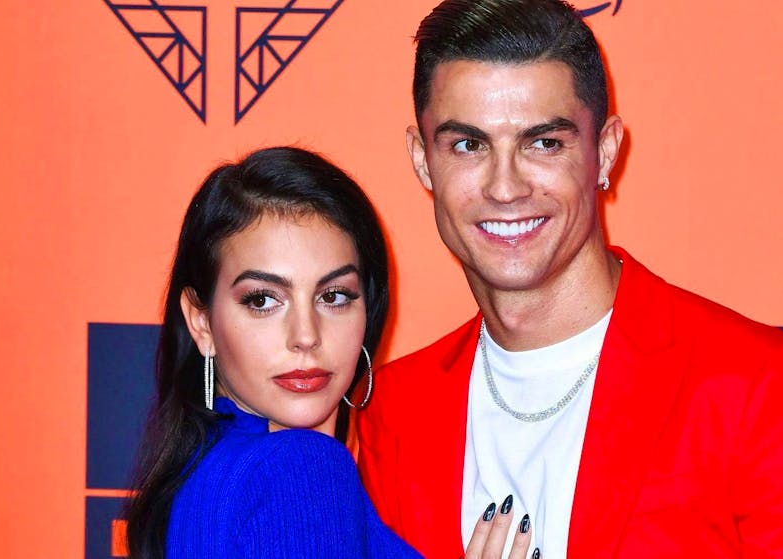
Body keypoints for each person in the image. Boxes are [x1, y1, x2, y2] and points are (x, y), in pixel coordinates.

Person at [356, 1, 783, 558]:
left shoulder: (762, 390)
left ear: (605, 152)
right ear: (423, 160)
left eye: (544, 143)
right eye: (469, 145)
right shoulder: (391, 412)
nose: (505, 187)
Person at [123, 147, 532, 558]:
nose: (306, 336)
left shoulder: (197, 476)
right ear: (201, 322)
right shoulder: (301, 467)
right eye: (263, 300)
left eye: (333, 296)